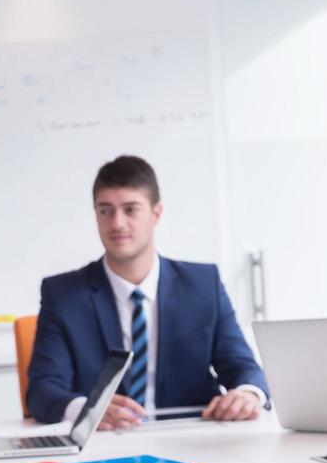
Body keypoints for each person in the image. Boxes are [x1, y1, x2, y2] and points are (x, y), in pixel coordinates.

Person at [25, 155, 269, 428]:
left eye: (131, 209)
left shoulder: (202, 285)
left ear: (156, 213)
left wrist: (249, 393)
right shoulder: (63, 295)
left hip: (192, 439)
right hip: (105, 446)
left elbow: (243, 367)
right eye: (105, 210)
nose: (117, 223)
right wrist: (87, 409)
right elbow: (42, 391)